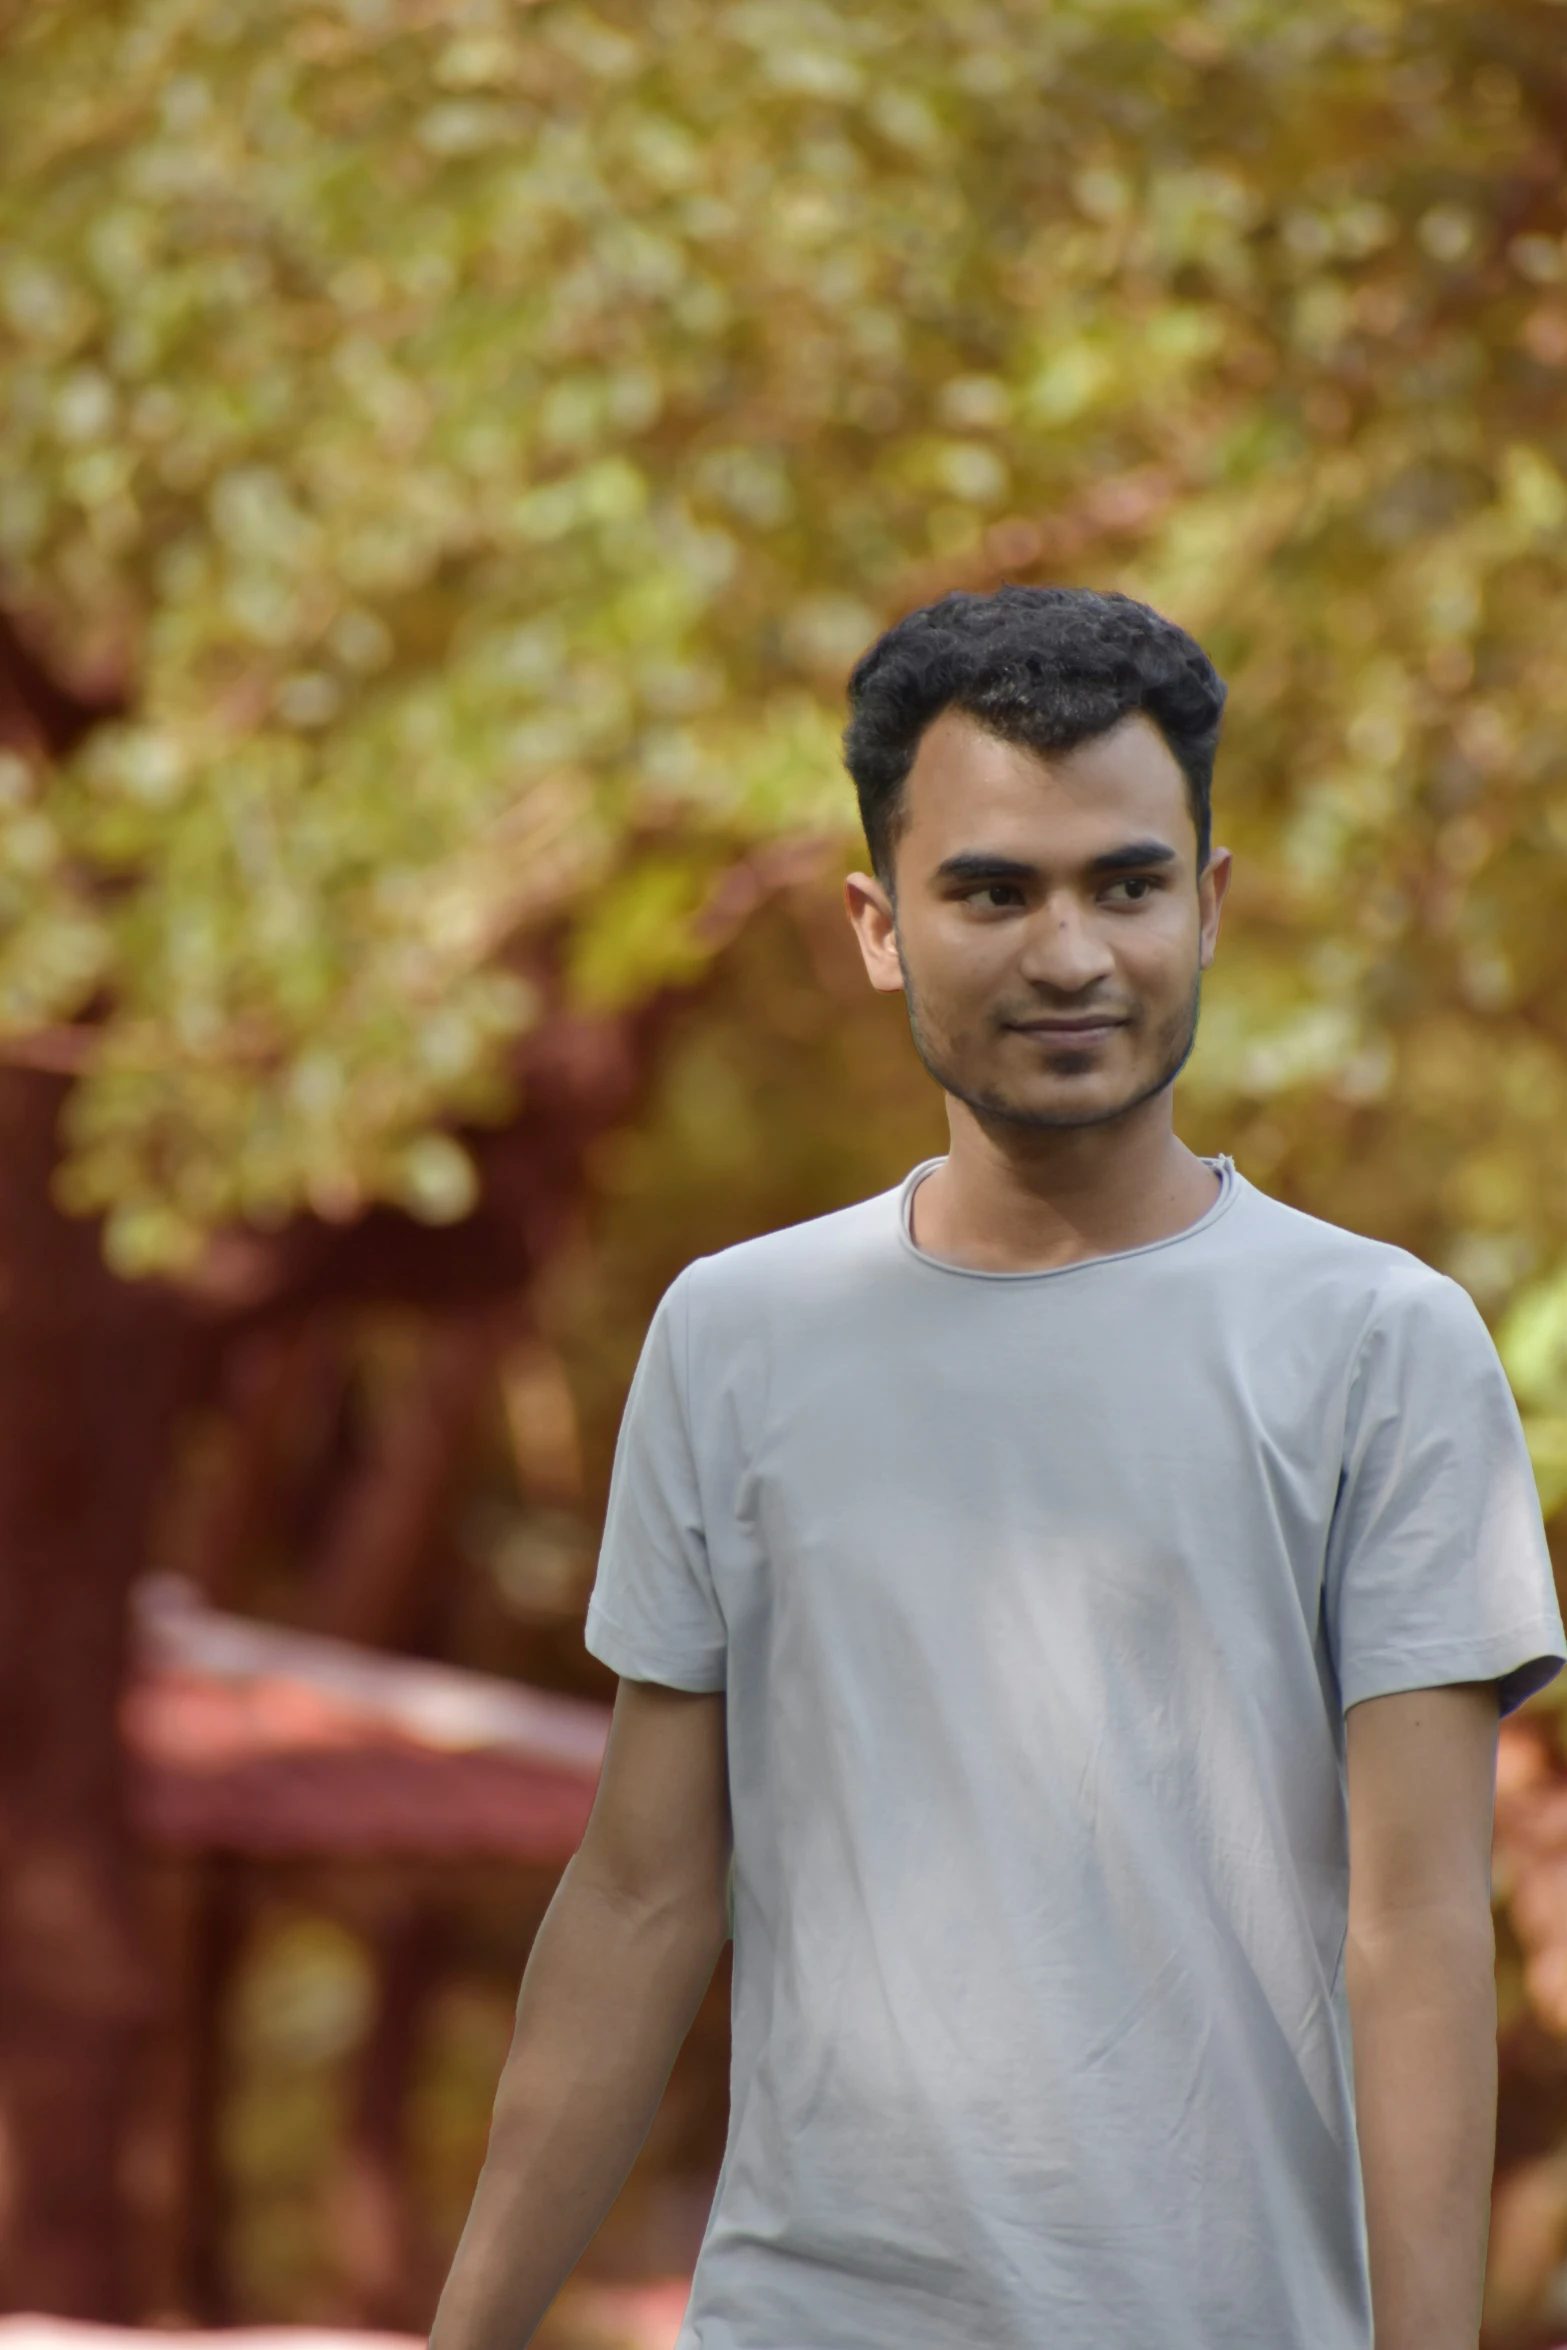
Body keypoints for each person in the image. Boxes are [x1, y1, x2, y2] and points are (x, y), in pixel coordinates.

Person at [430, 586, 1565, 2350]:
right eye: (991, 890)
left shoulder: (1379, 1345)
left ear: (1208, 901)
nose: (1069, 953)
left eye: (1123, 883)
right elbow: (646, 1891)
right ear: (880, 926)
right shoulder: (735, 1335)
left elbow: (1416, 1928)